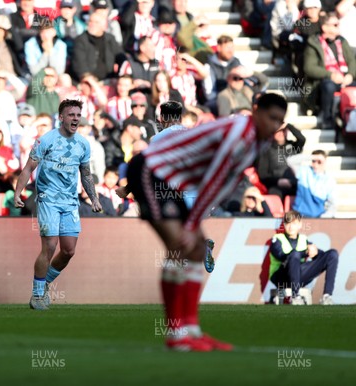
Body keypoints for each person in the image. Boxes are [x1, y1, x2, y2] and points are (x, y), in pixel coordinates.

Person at [116, 92, 288, 351]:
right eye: (271, 117)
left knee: (196, 248)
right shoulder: (239, 132)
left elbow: (227, 182)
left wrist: (193, 222)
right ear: (255, 111)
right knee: (179, 246)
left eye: (279, 121)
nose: (274, 125)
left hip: (172, 180)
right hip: (150, 170)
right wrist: (191, 222)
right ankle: (176, 334)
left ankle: (192, 330)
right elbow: (214, 178)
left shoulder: (259, 142)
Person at [13, 99, 102, 310]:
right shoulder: (46, 140)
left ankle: (43, 286)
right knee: (50, 245)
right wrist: (19, 192)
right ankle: (36, 295)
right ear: (61, 117)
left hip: (70, 202)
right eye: (71, 115)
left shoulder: (83, 144)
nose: (75, 118)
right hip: (48, 199)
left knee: (69, 251)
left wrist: (94, 198)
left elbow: (86, 174)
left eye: (78, 115)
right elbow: (28, 169)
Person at [269, 210, 338, 305]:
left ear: (300, 225)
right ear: (284, 225)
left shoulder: (303, 239)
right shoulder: (277, 239)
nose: (291, 226)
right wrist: (305, 252)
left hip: (298, 275)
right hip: (281, 277)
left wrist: (315, 252)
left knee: (332, 254)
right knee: (295, 255)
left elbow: (316, 254)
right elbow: (282, 255)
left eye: (294, 223)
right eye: (288, 223)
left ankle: (327, 296)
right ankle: (295, 296)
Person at [303, 12, 356, 130]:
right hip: (323, 82)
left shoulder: (342, 41)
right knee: (328, 86)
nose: (339, 27)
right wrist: (330, 75)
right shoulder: (313, 42)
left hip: (344, 78)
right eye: (335, 24)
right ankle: (327, 119)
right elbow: (309, 68)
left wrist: (350, 75)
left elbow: (352, 61)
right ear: (324, 27)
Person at [256, 121, 305, 199]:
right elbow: (263, 174)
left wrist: (287, 125)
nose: (280, 134)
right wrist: (278, 181)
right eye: (277, 132)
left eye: (283, 131)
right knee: (274, 195)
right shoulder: (267, 150)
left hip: (295, 183)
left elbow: (301, 139)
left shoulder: (294, 147)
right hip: (276, 185)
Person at [292, 150, 337, 218]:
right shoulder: (304, 171)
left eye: (319, 162)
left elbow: (332, 203)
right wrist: (312, 157)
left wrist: (324, 217)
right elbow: (291, 160)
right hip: (300, 215)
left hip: (319, 216)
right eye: (313, 161)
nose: (315, 164)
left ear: (325, 162)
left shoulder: (329, 180)